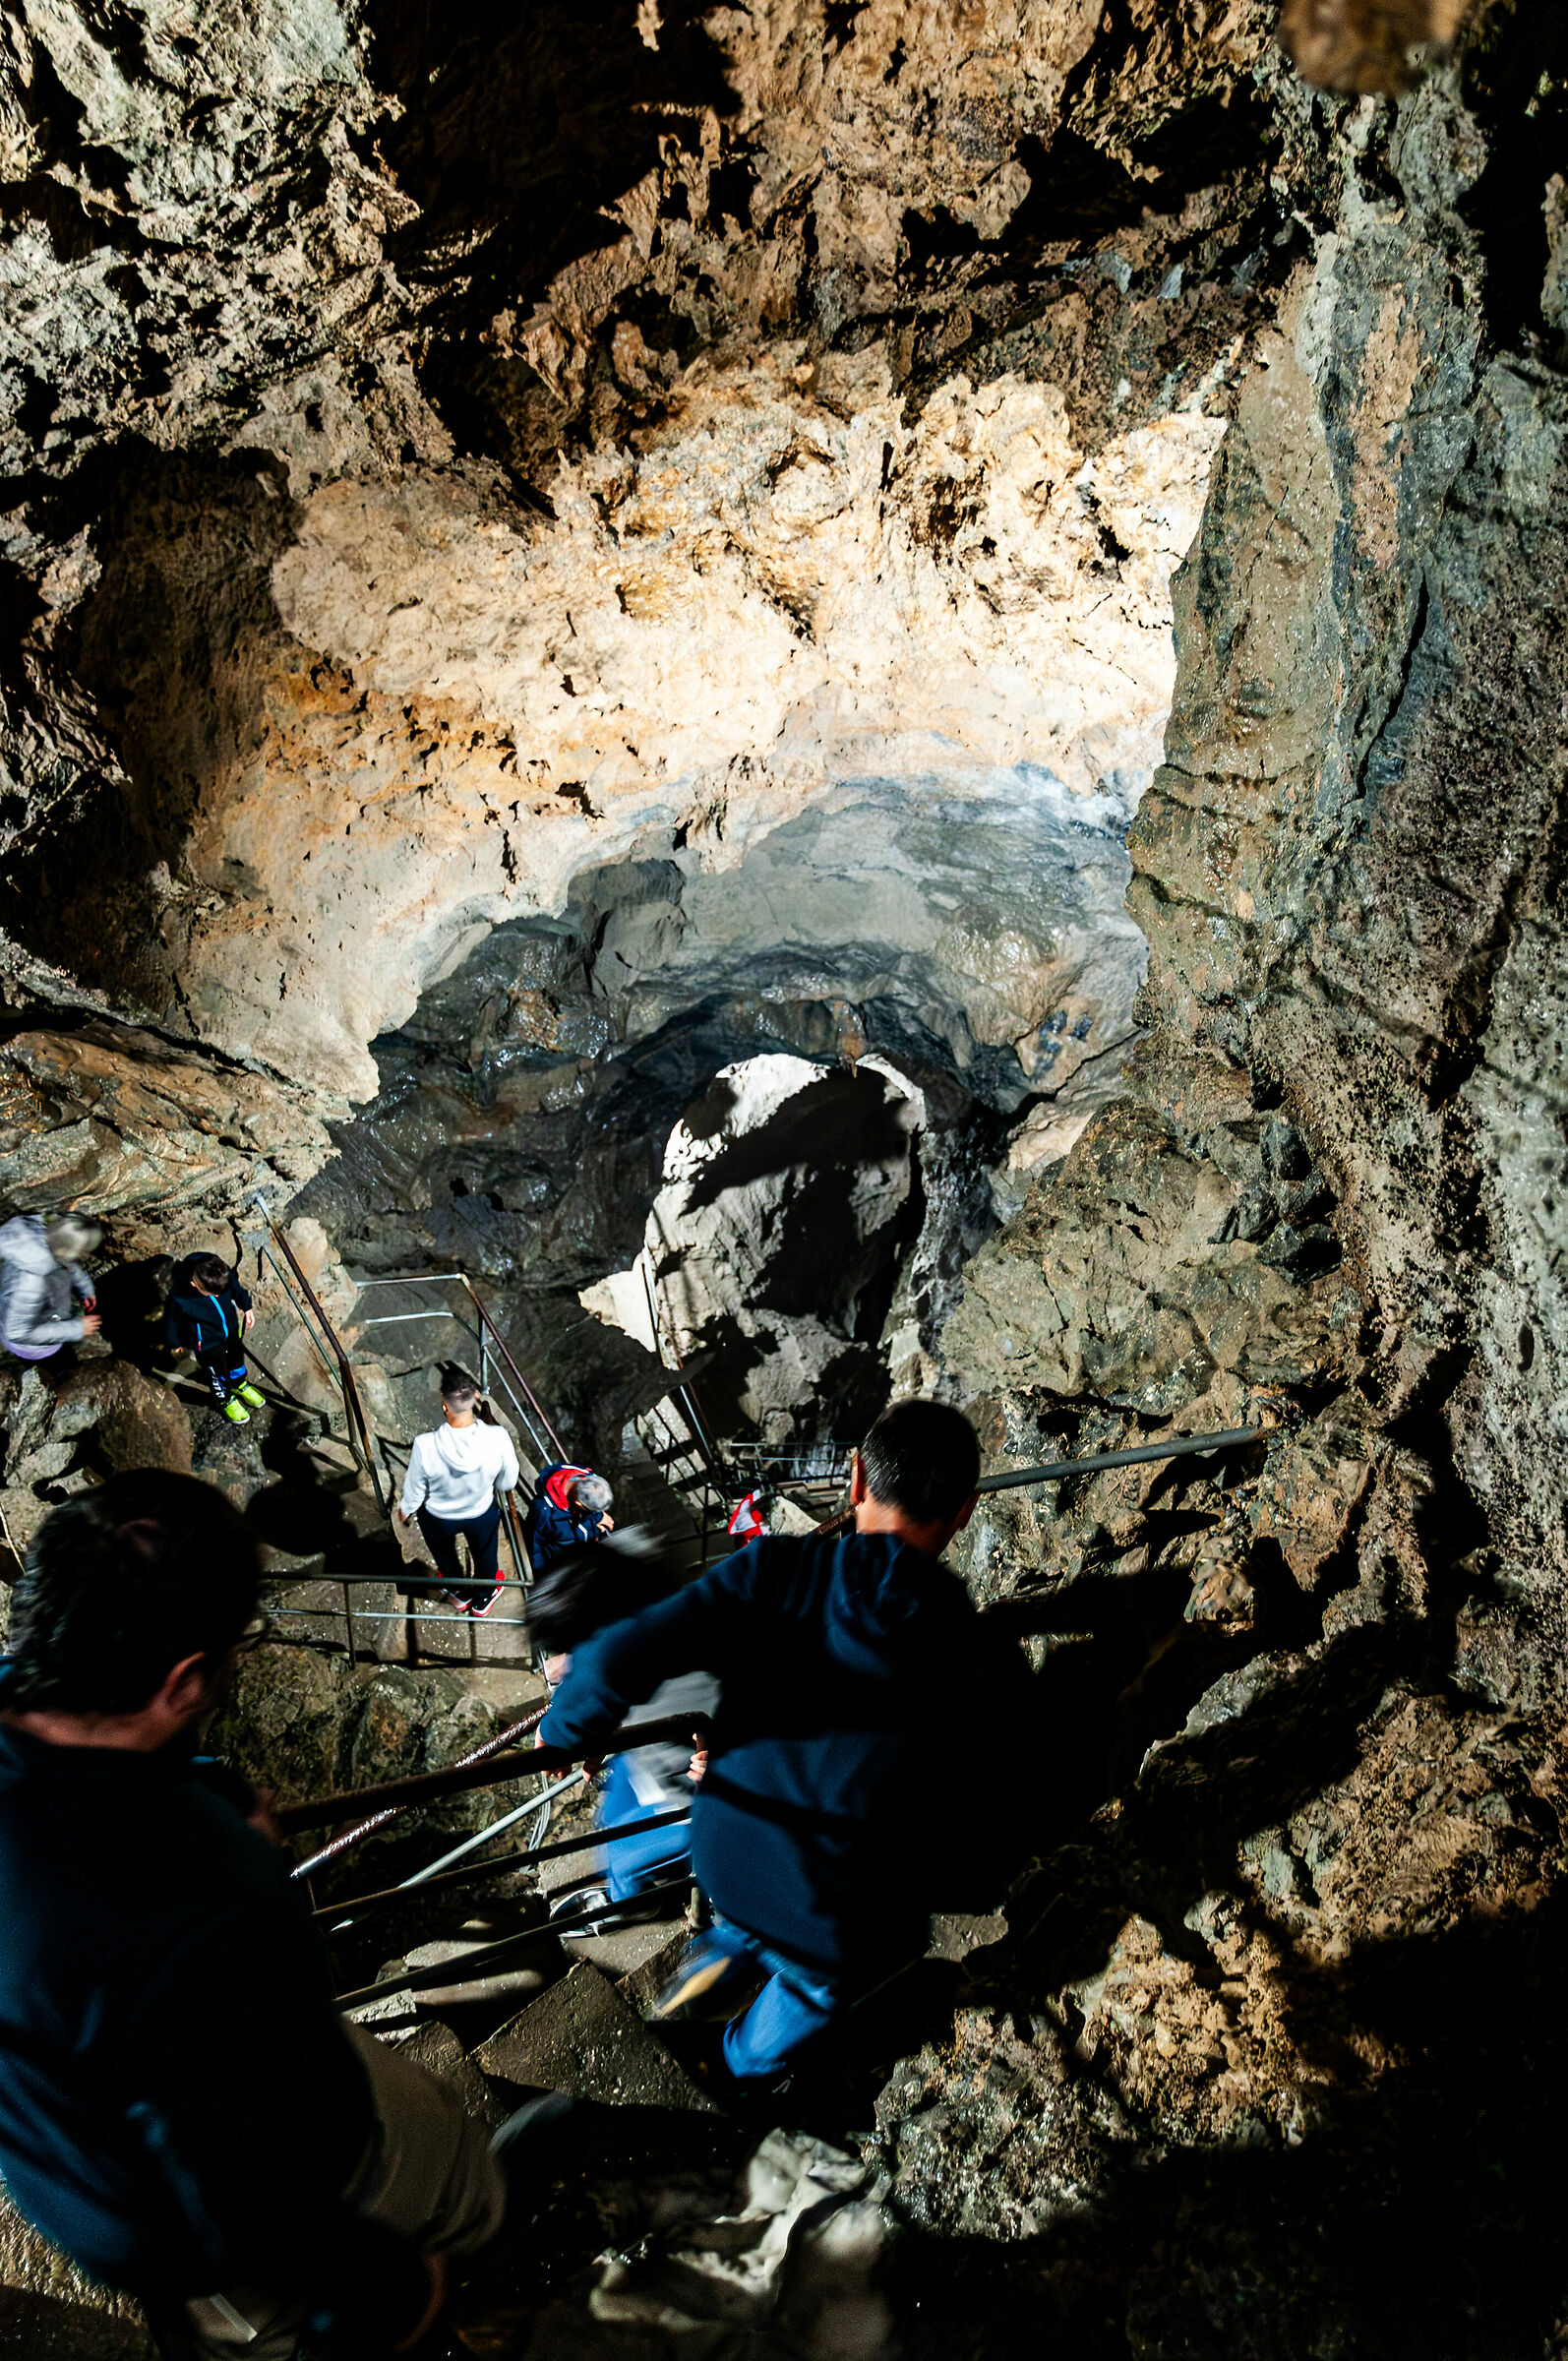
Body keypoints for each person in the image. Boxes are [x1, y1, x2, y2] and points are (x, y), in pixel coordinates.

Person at [0, 1470, 512, 2361]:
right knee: (465, 2180)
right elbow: (249, 2187)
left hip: (62, 2165)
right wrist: (394, 2294)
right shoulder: (197, 1898)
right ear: (187, 1676)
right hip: (195, 2217)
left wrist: (201, 1798)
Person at [536, 1398, 1031, 2089]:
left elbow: (620, 1654)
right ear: (965, 1513)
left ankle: (683, 2005)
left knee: (744, 1917)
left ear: (856, 1481)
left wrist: (562, 1735)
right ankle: (732, 2071)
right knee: (827, 1973)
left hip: (728, 1847)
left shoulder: (771, 1574)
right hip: (833, 1905)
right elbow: (979, 1819)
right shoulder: (984, 1665)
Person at [527, 1539, 715, 1917]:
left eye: (570, 1651)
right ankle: (636, 1888)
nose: (563, 1664)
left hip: (694, 1788)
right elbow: (614, 1680)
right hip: (662, 1753)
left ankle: (634, 1904)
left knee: (630, 1852)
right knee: (612, 1814)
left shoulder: (611, 1661)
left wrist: (559, 1733)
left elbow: (594, 1683)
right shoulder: (648, 1586)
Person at [398, 1365, 521, 1614]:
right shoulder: (498, 1437)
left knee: (445, 1555)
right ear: (476, 1397)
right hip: (480, 1512)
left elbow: (416, 1487)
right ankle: (483, 1598)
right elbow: (508, 1482)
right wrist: (493, 1484)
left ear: (445, 1405)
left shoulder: (425, 1445)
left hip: (438, 1516)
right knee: (485, 1555)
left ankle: (459, 1593)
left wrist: (407, 1509)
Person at [163, 1252, 265, 1425]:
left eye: (221, 1292)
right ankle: (224, 1398)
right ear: (194, 1284)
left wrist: (246, 1307)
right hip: (207, 1342)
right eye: (212, 1294)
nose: (218, 1296)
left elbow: (235, 1287)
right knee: (216, 1371)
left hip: (230, 1329)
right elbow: (170, 1321)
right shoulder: (179, 1296)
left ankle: (239, 1383)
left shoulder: (219, 1270)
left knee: (236, 1357)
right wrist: (175, 1343)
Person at [0, 1212, 102, 1363]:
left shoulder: (39, 1234)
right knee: (58, 1367)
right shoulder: (31, 1284)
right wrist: (76, 1329)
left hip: (45, 1313)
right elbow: (17, 1333)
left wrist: (83, 1288)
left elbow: (65, 1264)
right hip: (30, 1348)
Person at [522, 1462, 615, 1577]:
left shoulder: (585, 1476)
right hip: (555, 1558)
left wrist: (598, 1517)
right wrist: (540, 1573)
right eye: (592, 1511)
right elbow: (534, 1543)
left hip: (576, 1541)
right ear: (579, 1504)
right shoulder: (544, 1511)